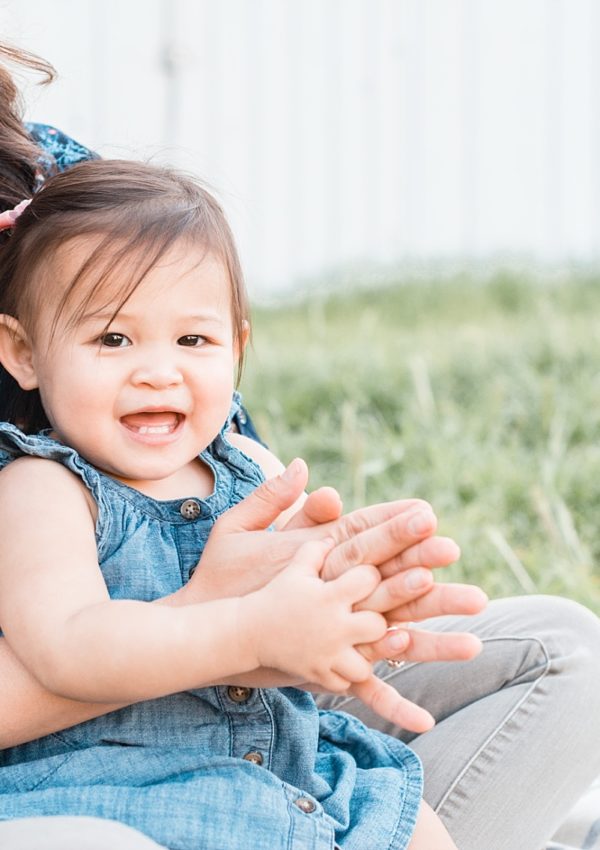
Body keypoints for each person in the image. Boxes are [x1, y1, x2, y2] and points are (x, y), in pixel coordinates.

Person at [0, 41, 599, 850]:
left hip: (272, 764)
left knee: (547, 671)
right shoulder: (44, 490)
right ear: (23, 353)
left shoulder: (55, 186)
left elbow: (298, 597)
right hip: (123, 780)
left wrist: (350, 605)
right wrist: (244, 633)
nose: (158, 374)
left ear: (238, 345)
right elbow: (70, 646)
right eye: (112, 341)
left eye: (194, 341)